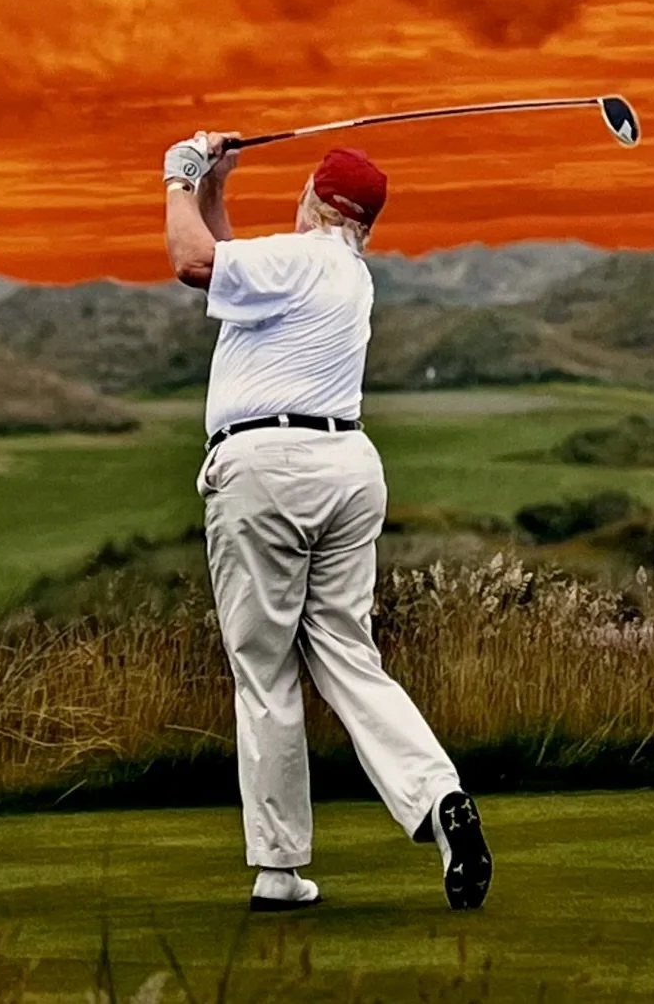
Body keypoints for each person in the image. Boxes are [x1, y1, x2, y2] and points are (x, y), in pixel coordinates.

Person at [162, 127, 493, 914]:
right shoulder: (342, 273)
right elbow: (233, 271)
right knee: (348, 653)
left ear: (313, 198)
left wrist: (177, 179)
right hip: (346, 469)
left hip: (265, 471)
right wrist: (217, 187)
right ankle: (439, 796)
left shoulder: (299, 257)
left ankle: (279, 870)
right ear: (365, 223)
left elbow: (194, 262)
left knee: (266, 670)